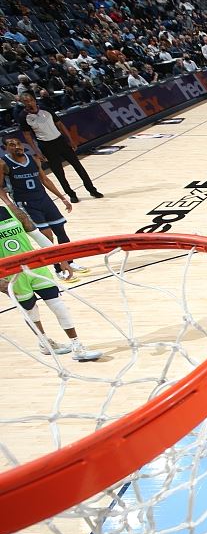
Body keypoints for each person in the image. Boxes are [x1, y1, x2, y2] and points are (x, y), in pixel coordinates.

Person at [0, 199, 102, 361]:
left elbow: (38, 236)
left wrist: (61, 260)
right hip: (11, 275)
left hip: (35, 268)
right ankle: (44, 343)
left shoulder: (12, 211)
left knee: (58, 306)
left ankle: (77, 345)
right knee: (31, 311)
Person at [1, 137, 87, 280]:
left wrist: (62, 198)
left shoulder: (33, 159)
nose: (17, 146)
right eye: (12, 145)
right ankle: (58, 268)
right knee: (47, 235)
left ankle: (69, 262)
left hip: (44, 199)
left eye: (18, 143)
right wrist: (10, 205)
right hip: (26, 203)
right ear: (6, 148)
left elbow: (45, 180)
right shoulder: (3, 163)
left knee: (61, 231)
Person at [17, 93, 102, 204]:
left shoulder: (45, 109)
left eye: (31, 100)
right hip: (46, 145)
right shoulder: (23, 116)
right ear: (23, 103)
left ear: (34, 100)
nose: (29, 103)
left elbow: (60, 124)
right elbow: (27, 136)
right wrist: (37, 151)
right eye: (26, 102)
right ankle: (71, 194)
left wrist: (70, 139)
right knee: (59, 173)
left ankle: (92, 190)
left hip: (60, 141)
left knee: (78, 166)